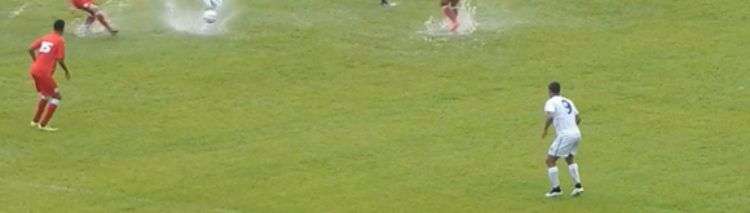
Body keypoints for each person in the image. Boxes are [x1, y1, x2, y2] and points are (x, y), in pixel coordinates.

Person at [541, 81, 584, 197]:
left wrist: (545, 129)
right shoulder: (568, 100)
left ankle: (556, 189)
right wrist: (571, 127)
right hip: (576, 133)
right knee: (569, 158)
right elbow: (578, 118)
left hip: (566, 135)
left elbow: (550, 115)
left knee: (550, 160)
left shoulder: (551, 101)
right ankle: (578, 187)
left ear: (550, 91)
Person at [28, 20, 71, 132]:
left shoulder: (46, 37)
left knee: (45, 94)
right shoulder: (60, 40)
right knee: (57, 97)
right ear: (62, 29)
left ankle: (35, 121)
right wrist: (66, 71)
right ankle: (43, 125)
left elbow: (30, 49)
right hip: (43, 73)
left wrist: (36, 61)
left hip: (34, 70)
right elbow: (60, 59)